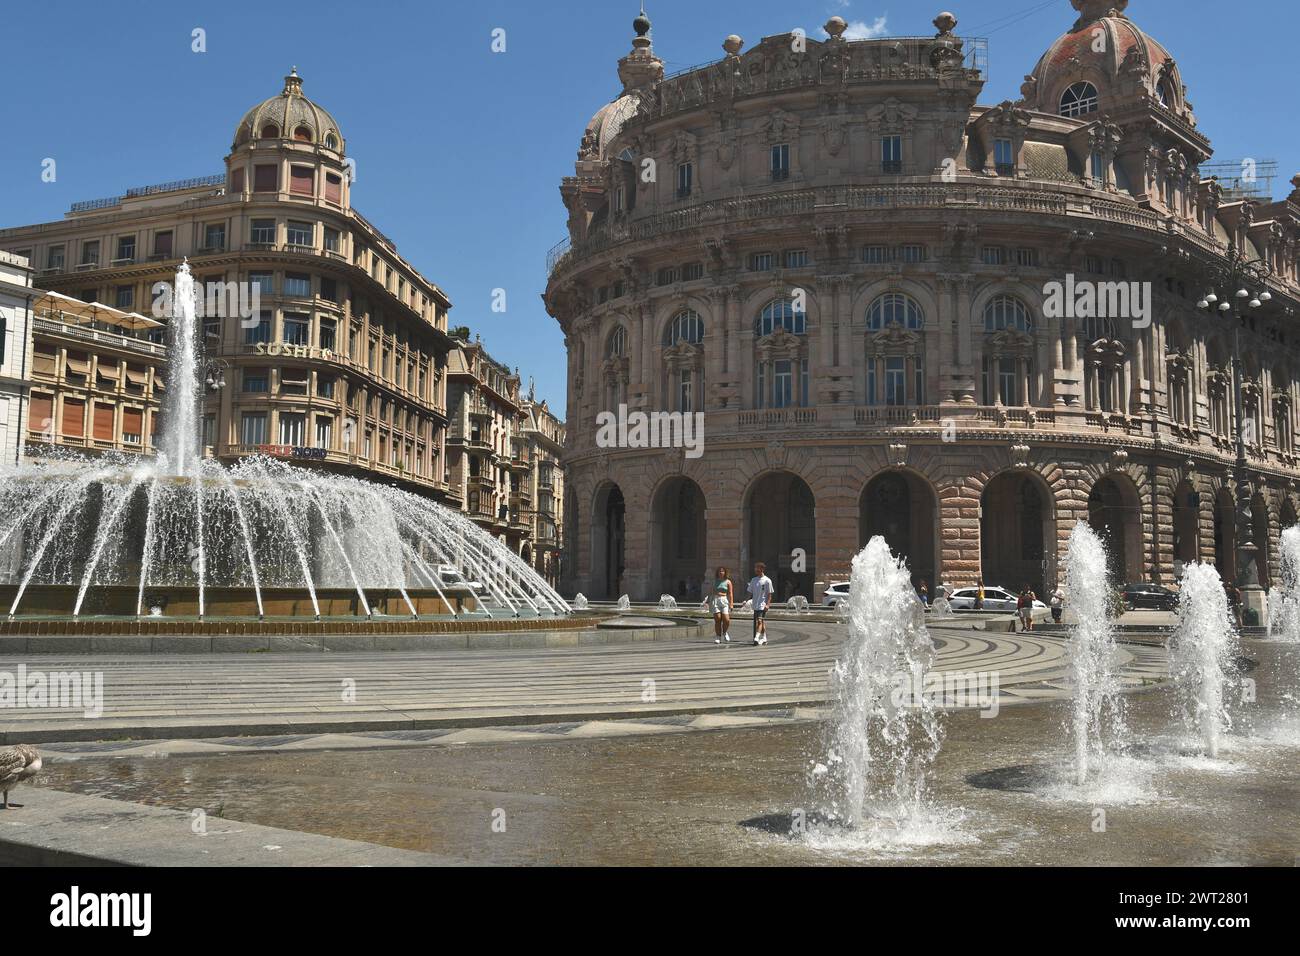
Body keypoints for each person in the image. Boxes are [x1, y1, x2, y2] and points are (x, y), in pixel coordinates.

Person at [748, 562, 774, 646]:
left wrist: (768, 604)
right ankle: (764, 638)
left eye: (757, 568)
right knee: (761, 621)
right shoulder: (753, 580)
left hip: (762, 605)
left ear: (762, 569)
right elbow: (750, 593)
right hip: (755, 604)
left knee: (759, 621)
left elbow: (770, 594)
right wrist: (746, 600)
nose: (756, 569)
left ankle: (757, 637)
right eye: (755, 568)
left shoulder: (767, 580)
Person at [711, 566, 734, 645]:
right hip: (716, 600)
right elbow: (712, 591)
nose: (721, 572)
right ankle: (718, 636)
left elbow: (730, 593)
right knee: (717, 619)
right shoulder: (714, 581)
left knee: (726, 620)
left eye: (722, 571)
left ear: (725, 572)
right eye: (720, 571)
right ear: (717, 573)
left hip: (724, 600)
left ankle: (725, 632)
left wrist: (731, 604)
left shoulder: (728, 582)